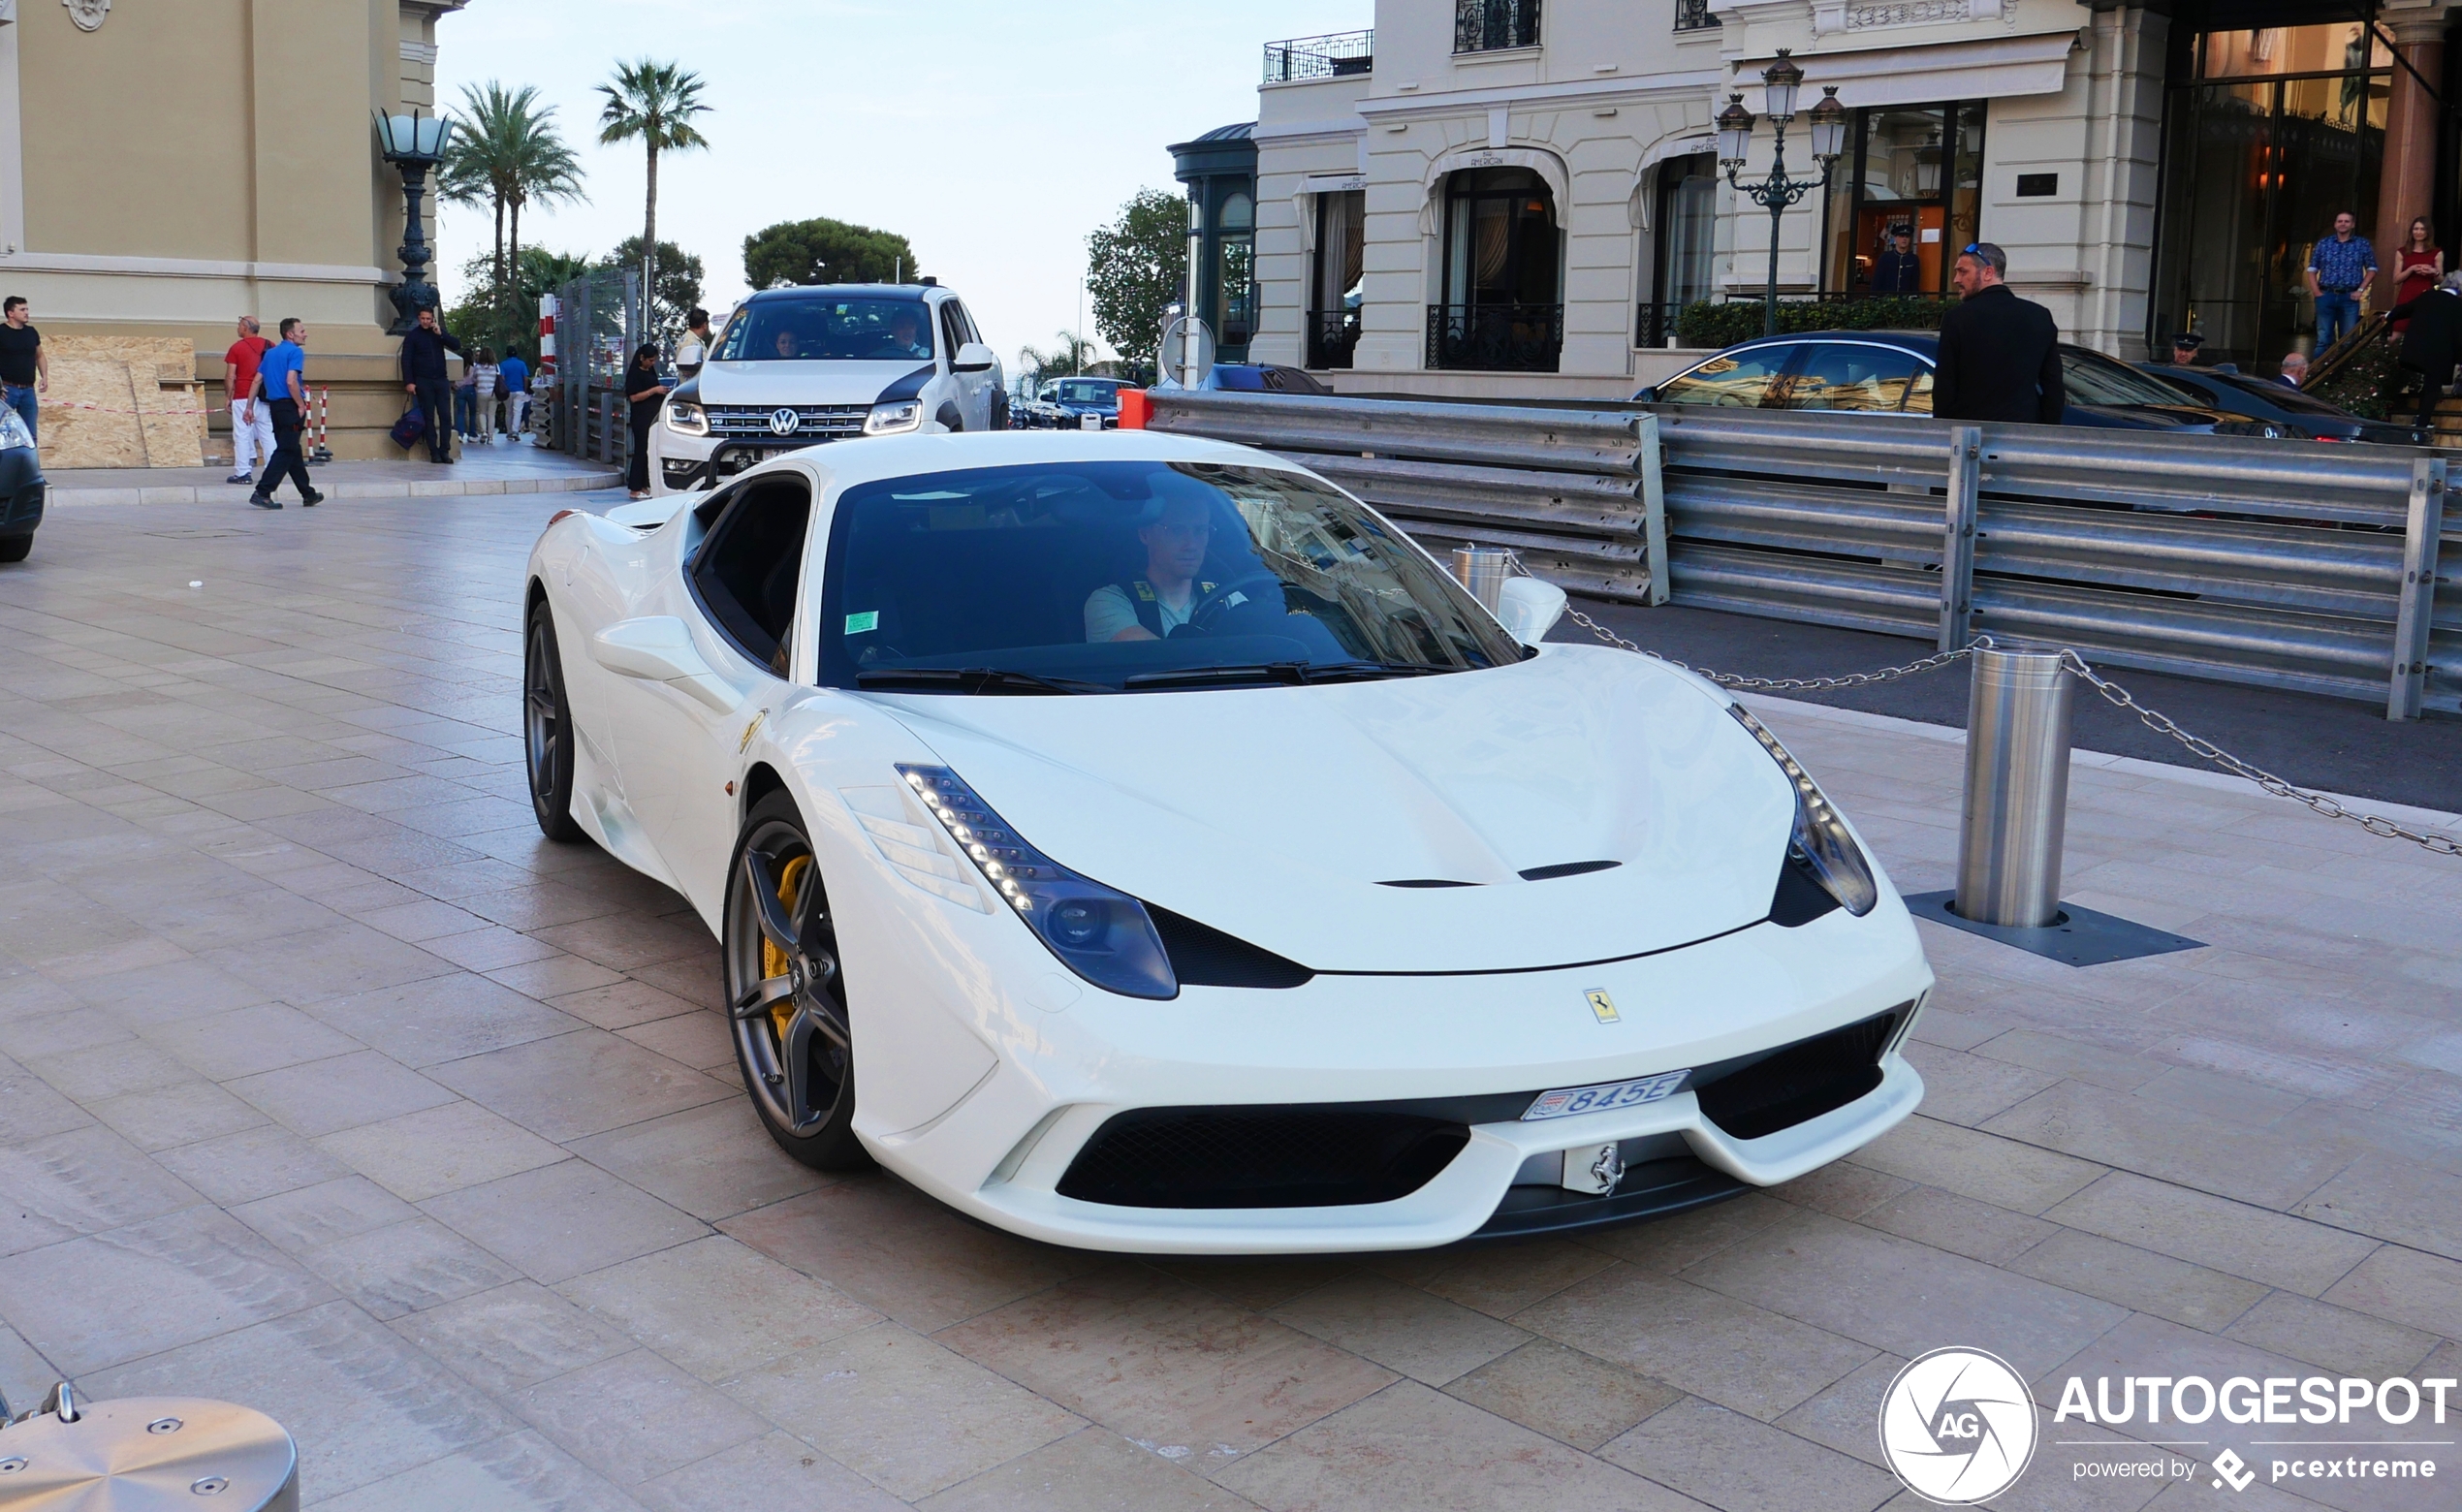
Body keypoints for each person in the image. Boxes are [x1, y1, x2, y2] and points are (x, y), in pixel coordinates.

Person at [1931, 242, 2065, 425]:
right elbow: (2053, 386)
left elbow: (1944, 387)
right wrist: (2046, 432)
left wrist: (1944, 430)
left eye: (1963, 272)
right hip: (2024, 432)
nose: (1956, 279)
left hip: (1971, 436)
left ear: (1988, 272)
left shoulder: (1958, 319)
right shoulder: (2039, 316)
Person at [1085, 490, 1219, 642]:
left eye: (1200, 530)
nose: (1192, 545)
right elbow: (1162, 660)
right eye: (1177, 530)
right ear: (1145, 535)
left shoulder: (1225, 597)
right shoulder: (1109, 602)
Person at [247, 318, 322, 510]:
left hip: (275, 408)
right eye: (302, 330)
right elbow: (291, 381)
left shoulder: (270, 353)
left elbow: (256, 381)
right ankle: (263, 491)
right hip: (290, 407)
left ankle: (308, 494)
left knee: (292, 449)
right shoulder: (295, 352)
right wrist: (300, 405)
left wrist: (249, 407)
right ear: (290, 334)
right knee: (285, 450)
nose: (305, 334)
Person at [2388, 269, 2462, 428]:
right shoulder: (2458, 305)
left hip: (2415, 349)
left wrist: (2388, 317)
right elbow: (2459, 335)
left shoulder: (2427, 296)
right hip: (2440, 353)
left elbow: (2403, 309)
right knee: (2432, 387)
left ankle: (2408, 413)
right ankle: (2422, 422)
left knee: (2412, 377)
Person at [2306, 210, 2377, 351]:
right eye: (2340, 221)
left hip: (2350, 297)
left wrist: (2360, 290)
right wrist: (2316, 292)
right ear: (2335, 224)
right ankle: (2319, 372)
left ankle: (2343, 373)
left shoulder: (2362, 244)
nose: (2343, 224)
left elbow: (2372, 269)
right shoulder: (2324, 244)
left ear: (2352, 225)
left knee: (2348, 339)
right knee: (2323, 339)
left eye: (2346, 221)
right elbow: (2312, 269)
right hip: (2326, 295)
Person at [398, 305, 460, 463]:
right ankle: (433, 451)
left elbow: (456, 345)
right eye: (423, 318)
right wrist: (409, 382)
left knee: (446, 416)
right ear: (419, 319)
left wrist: (441, 334)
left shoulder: (437, 334)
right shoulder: (413, 336)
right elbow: (406, 360)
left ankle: (445, 450)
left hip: (441, 379)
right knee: (428, 417)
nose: (426, 321)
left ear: (433, 319)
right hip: (423, 381)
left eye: (428, 319)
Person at [223, 316, 272, 486]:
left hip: (243, 395)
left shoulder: (237, 348)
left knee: (242, 434)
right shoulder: (270, 345)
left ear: (245, 327)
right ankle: (273, 470)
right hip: (265, 395)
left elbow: (230, 376)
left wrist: (228, 396)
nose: (238, 328)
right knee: (267, 433)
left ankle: (243, 472)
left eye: (239, 325)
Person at [623, 342, 669, 499]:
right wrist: (653, 391)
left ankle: (644, 484)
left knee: (648, 451)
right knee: (641, 451)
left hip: (651, 416)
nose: (652, 363)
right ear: (642, 358)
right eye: (650, 360)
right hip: (641, 417)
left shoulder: (650, 371)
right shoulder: (634, 374)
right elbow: (634, 397)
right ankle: (634, 488)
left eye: (654, 360)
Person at [0, 296, 47, 440]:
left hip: (28, 391)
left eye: (27, 309)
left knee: (30, 436)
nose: (26, 312)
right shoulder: (1, 332)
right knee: (3, 435)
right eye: (22, 309)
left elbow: (39, 356)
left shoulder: (31, 332)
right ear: (10, 313)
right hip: (7, 391)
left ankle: (28, 463)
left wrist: (44, 376)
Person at [2392, 218, 2441, 333]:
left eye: (2422, 229)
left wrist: (2434, 272)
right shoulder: (2402, 252)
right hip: (2407, 294)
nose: (2418, 232)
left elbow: (2441, 281)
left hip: (2426, 295)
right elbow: (2396, 279)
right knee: (2398, 330)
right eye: (2416, 229)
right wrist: (2411, 269)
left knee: (2423, 331)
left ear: (2428, 232)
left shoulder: (2437, 253)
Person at [1871, 225, 1921, 294]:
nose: (1904, 239)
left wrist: (1914, 296)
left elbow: (1915, 282)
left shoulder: (1913, 259)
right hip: (1886, 299)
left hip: (1905, 300)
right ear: (1895, 238)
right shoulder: (1885, 257)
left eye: (1907, 237)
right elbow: (1877, 279)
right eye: (1901, 236)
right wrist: (1874, 296)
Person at [497, 346, 530, 441]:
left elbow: (502, 378)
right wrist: (525, 389)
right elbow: (526, 378)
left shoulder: (503, 364)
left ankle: (509, 432)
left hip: (507, 391)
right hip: (519, 390)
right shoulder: (522, 364)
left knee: (508, 412)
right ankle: (515, 431)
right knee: (517, 412)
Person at [471, 347, 499, 444]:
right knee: (492, 415)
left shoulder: (477, 367)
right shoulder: (496, 366)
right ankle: (490, 436)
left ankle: (483, 431)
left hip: (481, 392)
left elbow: (474, 379)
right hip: (493, 393)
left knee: (482, 412)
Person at [676, 307, 712, 378]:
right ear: (704, 325)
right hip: (692, 387)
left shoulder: (695, 340)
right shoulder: (689, 342)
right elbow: (690, 368)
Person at [453, 357, 477, 438]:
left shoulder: (458, 369)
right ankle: (472, 433)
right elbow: (475, 380)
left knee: (460, 413)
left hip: (460, 390)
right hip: (470, 389)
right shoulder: (473, 369)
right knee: (472, 413)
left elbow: (455, 382)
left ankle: (460, 433)